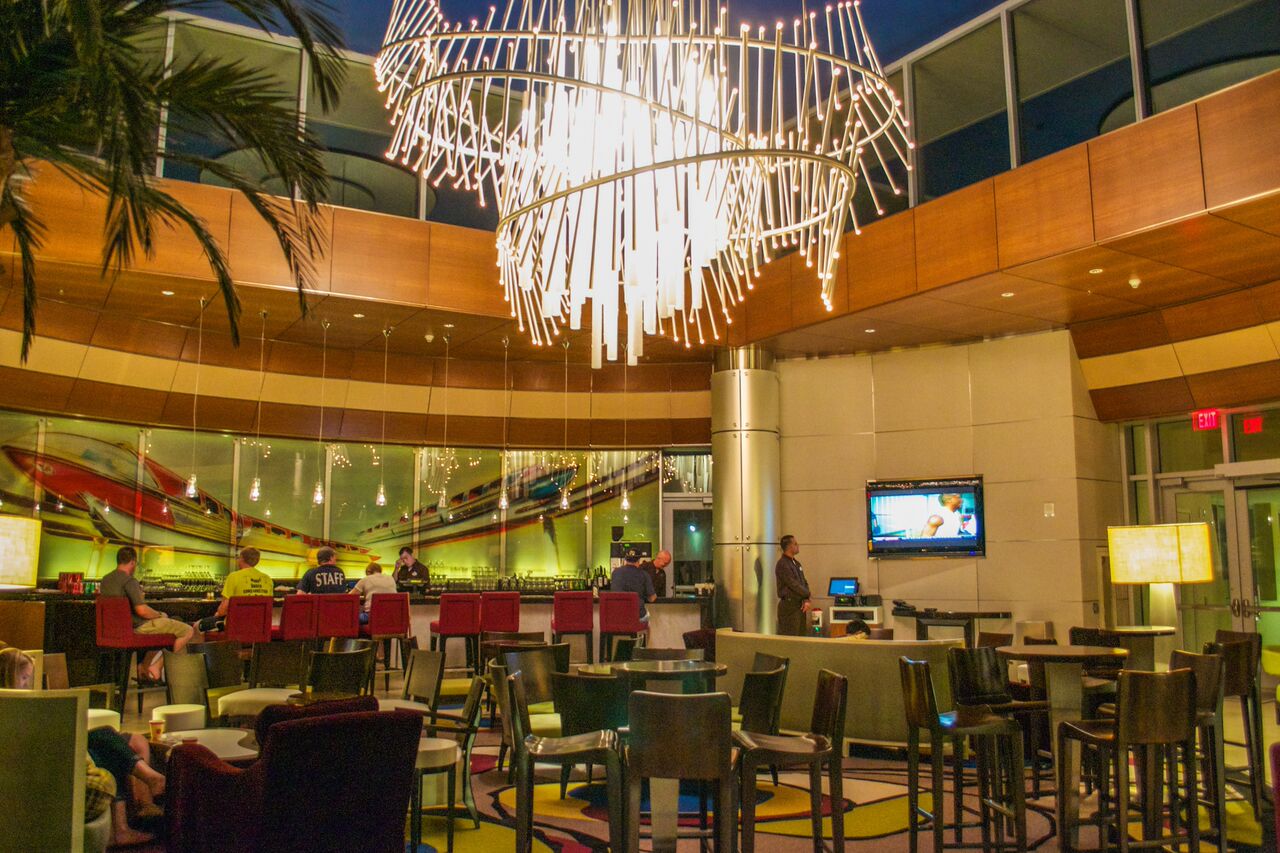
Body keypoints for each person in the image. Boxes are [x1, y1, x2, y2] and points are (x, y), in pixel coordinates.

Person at [1, 648, 160, 845]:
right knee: (104, 744)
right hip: (46, 777)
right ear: (9, 677)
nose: (27, 685)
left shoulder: (25, 707)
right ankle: (146, 788)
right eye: (24, 678)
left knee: (105, 737)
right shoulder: (13, 710)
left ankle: (122, 826)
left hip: (55, 762)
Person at [99, 545, 192, 679]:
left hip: (111, 632)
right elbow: (142, 611)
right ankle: (157, 666)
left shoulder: (105, 580)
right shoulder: (129, 581)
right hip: (136, 629)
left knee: (164, 627)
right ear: (132, 562)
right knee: (187, 630)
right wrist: (160, 614)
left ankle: (144, 666)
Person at [195, 547, 272, 634]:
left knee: (197, 626)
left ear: (242, 558)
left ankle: (205, 648)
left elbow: (222, 610)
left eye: (238, 557)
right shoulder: (268, 579)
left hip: (236, 625)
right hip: (259, 626)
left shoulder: (234, 577)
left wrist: (218, 613)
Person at [775, 534, 811, 636]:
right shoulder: (782, 564)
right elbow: (793, 584)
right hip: (789, 607)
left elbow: (804, 582)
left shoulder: (796, 563)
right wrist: (807, 594)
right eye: (795, 543)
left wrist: (806, 599)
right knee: (790, 638)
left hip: (799, 605)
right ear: (790, 546)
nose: (798, 545)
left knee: (801, 636)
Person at [610, 548, 657, 623]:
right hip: (636, 616)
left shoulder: (615, 573)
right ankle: (645, 634)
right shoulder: (644, 574)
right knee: (649, 620)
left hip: (617, 615)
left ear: (625, 560)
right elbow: (652, 598)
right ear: (639, 561)